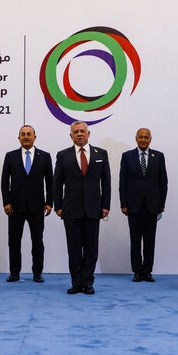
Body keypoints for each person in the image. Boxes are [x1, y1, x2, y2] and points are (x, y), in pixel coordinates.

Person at [53, 120, 110, 295]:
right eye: (75, 132)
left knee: (91, 248)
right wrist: (58, 206)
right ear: (71, 136)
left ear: (88, 134)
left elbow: (106, 182)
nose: (79, 134)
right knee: (74, 248)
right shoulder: (63, 155)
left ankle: (88, 282)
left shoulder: (101, 153)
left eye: (82, 131)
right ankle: (76, 282)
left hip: (94, 209)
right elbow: (57, 183)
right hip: (70, 209)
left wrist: (106, 205)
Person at [0, 125, 53, 283]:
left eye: (29, 134)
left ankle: (37, 273)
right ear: (19, 138)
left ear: (35, 137)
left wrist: (49, 202)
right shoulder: (11, 156)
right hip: (15, 207)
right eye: (23, 134)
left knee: (37, 241)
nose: (26, 137)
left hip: (37, 207)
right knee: (14, 241)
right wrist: (6, 202)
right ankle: (14, 273)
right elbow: (4, 181)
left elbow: (50, 181)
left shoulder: (45, 156)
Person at [119, 127, 167, 282]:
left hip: (152, 206)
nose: (143, 140)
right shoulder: (127, 156)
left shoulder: (158, 156)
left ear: (150, 139)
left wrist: (161, 204)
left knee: (149, 241)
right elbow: (123, 182)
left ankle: (147, 271)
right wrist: (123, 204)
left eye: (146, 137)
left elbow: (163, 182)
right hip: (133, 205)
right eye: (141, 137)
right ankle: (137, 271)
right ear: (136, 138)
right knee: (135, 240)